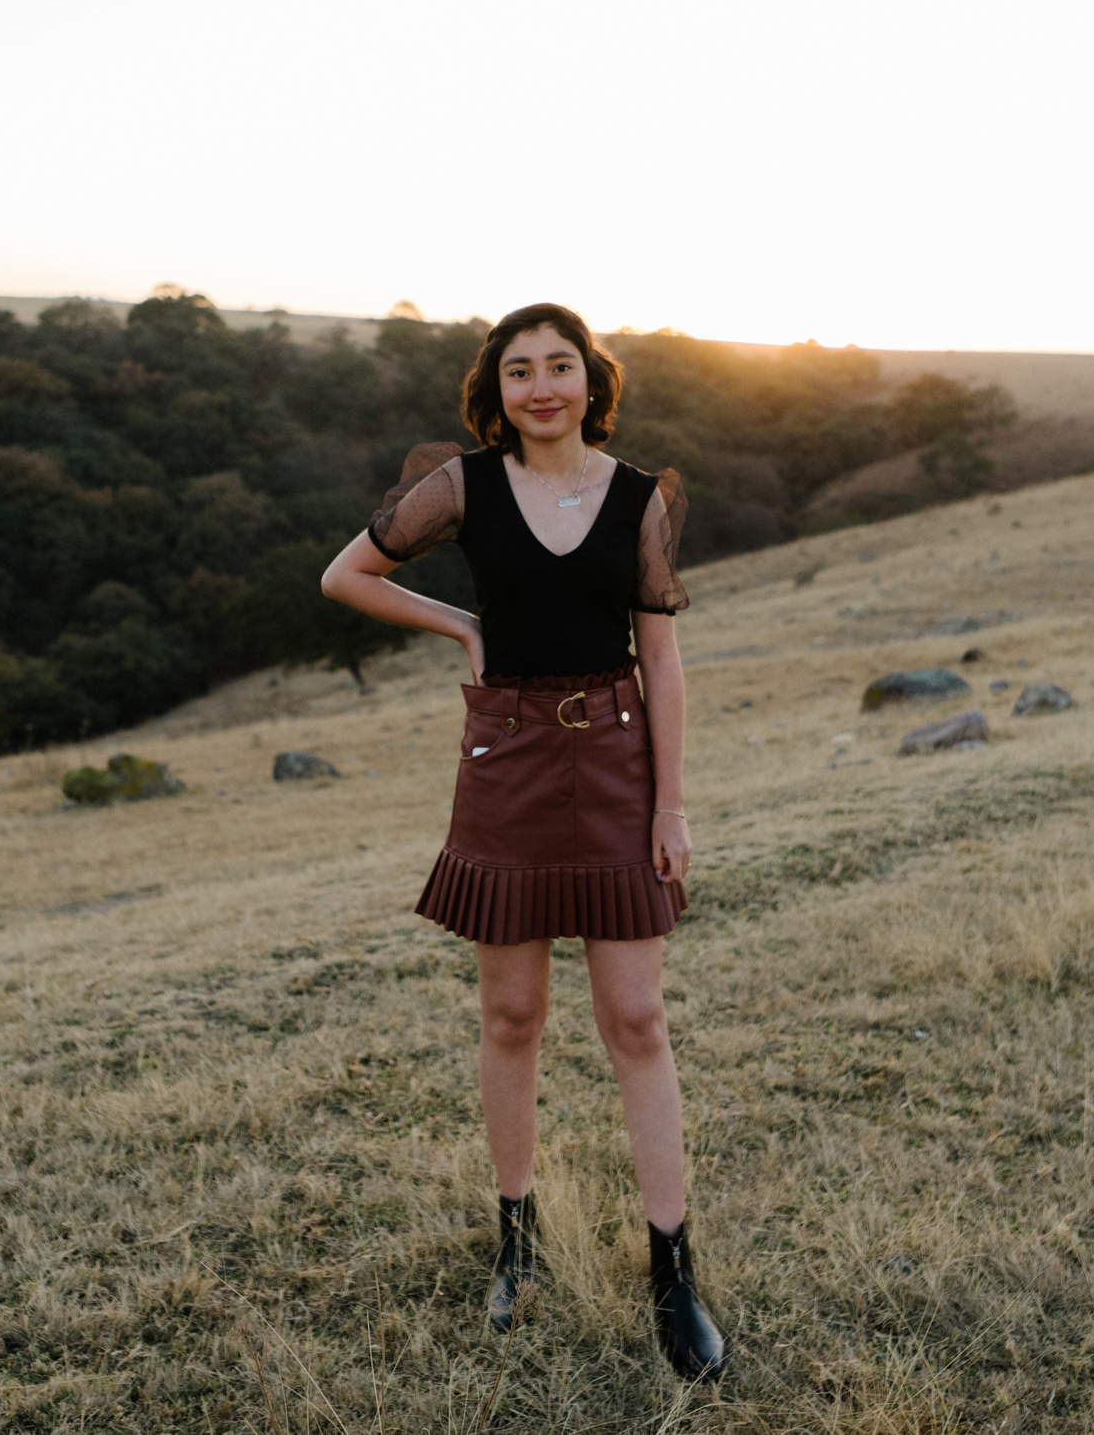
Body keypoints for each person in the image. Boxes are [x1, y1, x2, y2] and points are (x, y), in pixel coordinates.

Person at [319, 302, 727, 1382]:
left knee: (635, 1016)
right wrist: (457, 623)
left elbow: (663, 659)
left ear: (591, 380)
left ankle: (673, 1270)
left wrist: (670, 804)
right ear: (493, 390)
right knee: (512, 1011)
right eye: (518, 371)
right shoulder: (464, 485)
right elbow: (343, 573)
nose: (540, 386)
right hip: (503, 756)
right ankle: (516, 1233)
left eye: (559, 366)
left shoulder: (637, 498)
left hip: (614, 759)